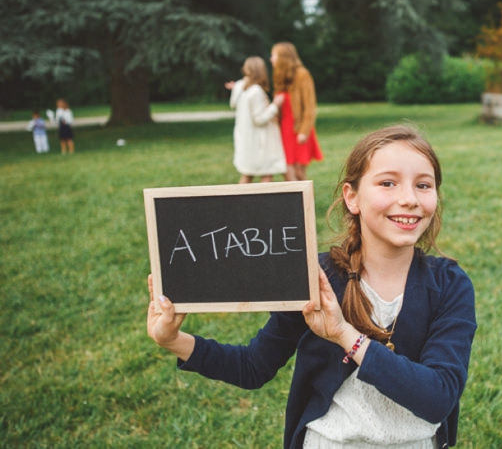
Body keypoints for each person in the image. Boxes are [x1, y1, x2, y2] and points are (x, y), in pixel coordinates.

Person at [146, 124, 477, 449]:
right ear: (352, 197)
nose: (409, 199)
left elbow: (438, 397)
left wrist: (345, 335)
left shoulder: (449, 285)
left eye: (423, 185)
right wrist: (172, 339)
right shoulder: (316, 278)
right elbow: (252, 367)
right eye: (388, 183)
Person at [225, 56, 287, 183]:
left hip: (245, 140)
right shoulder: (256, 92)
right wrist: (275, 105)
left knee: (247, 174)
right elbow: (259, 119)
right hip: (259, 143)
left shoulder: (240, 87)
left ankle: (239, 202)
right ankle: (261, 203)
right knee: (266, 174)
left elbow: (233, 104)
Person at [270, 42, 323, 181]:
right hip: (284, 130)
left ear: (284, 57)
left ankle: (305, 202)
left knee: (299, 172)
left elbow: (310, 107)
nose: (271, 59)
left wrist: (304, 131)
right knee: (287, 171)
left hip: (299, 130)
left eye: (274, 55)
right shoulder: (280, 77)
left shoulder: (302, 75)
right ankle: (294, 202)